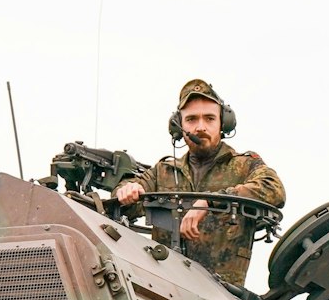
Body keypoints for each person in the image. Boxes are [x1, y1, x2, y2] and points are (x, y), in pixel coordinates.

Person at [115, 79, 284, 286]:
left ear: (223, 123)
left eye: (209, 118)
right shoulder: (164, 172)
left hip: (223, 297)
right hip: (165, 291)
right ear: (179, 126)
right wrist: (129, 190)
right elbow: (124, 199)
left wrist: (209, 202)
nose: (200, 127)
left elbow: (273, 188)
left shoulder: (243, 166)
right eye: (192, 119)